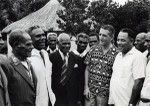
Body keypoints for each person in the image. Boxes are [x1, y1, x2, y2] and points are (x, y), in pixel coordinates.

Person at [109, 28, 147, 106]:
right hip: (115, 102)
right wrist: (111, 101)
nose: (119, 43)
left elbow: (139, 82)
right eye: (118, 40)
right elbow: (115, 79)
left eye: (123, 40)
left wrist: (131, 103)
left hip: (127, 103)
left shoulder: (138, 56)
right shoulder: (118, 56)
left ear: (132, 41)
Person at [84, 25, 118, 106]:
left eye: (104, 35)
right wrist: (86, 88)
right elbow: (87, 69)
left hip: (104, 94)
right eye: (100, 34)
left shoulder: (117, 53)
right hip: (90, 92)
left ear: (112, 37)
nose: (101, 37)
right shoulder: (93, 49)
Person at [1, 29, 37, 106]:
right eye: (28, 44)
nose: (32, 47)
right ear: (16, 45)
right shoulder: (7, 65)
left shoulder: (29, 63)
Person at [27, 26, 56, 106]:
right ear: (30, 39)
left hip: (50, 100)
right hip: (37, 102)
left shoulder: (45, 54)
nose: (42, 38)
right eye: (38, 36)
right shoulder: (28, 58)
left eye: (43, 35)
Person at [49, 33, 72, 106]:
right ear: (58, 44)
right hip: (56, 96)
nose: (67, 46)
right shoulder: (51, 57)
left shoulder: (74, 57)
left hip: (70, 97)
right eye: (64, 44)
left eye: (69, 43)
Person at [71, 32, 89, 106]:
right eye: (80, 42)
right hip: (73, 90)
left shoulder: (88, 56)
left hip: (85, 89)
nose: (82, 44)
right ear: (76, 42)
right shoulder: (70, 56)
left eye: (85, 43)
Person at [139, 32, 150, 106]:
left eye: (149, 41)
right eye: (146, 41)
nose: (145, 44)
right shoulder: (144, 57)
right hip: (142, 101)